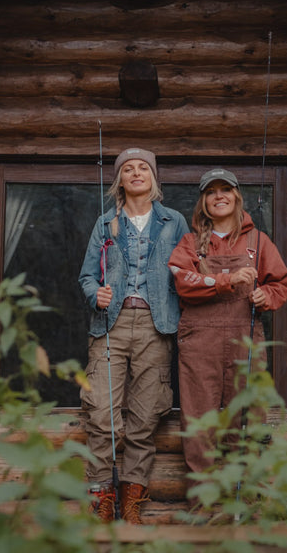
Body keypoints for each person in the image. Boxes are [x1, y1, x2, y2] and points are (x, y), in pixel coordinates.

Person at [78, 146, 189, 523]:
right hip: (111, 324)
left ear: (153, 178)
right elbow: (87, 276)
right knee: (102, 415)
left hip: (157, 328)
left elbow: (190, 270)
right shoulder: (105, 223)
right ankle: (101, 498)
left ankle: (132, 501)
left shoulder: (174, 221)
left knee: (145, 417)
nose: (137, 173)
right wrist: (98, 295)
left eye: (144, 168)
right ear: (120, 179)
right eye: (129, 169)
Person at [168, 168, 287, 477]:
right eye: (211, 192)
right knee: (198, 423)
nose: (218, 196)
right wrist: (228, 279)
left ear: (237, 197)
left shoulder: (258, 242)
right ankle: (201, 504)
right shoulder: (190, 242)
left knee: (247, 417)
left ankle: (244, 505)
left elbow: (281, 284)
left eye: (225, 189)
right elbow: (184, 281)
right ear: (203, 201)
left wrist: (265, 296)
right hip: (199, 343)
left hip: (244, 340)